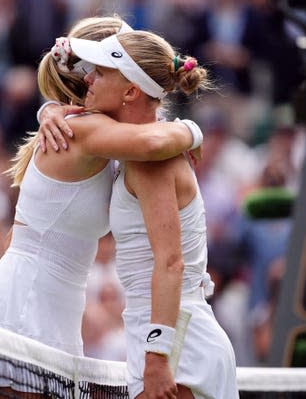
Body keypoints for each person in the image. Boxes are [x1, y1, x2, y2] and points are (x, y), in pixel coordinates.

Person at [0, 16, 203, 398]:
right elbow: (151, 143)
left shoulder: (78, 126)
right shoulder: (83, 128)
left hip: (42, 310)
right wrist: (193, 131)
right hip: (25, 310)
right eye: (100, 67)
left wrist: (49, 108)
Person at [68, 30, 238, 398]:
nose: (88, 79)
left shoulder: (149, 162)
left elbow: (171, 262)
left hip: (176, 345)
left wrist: (159, 357)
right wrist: (49, 111)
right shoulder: (143, 150)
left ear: (131, 92)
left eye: (100, 72)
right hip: (172, 334)